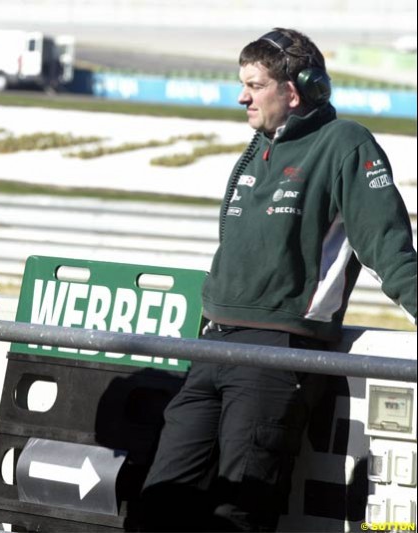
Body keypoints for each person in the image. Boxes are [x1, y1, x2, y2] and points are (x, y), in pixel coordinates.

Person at [137, 28, 417, 532]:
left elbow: (388, 252)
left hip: (277, 354)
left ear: (296, 89)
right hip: (212, 346)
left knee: (238, 514)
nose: (241, 96)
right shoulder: (258, 147)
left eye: (254, 85)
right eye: (241, 83)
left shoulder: (345, 144)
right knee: (159, 503)